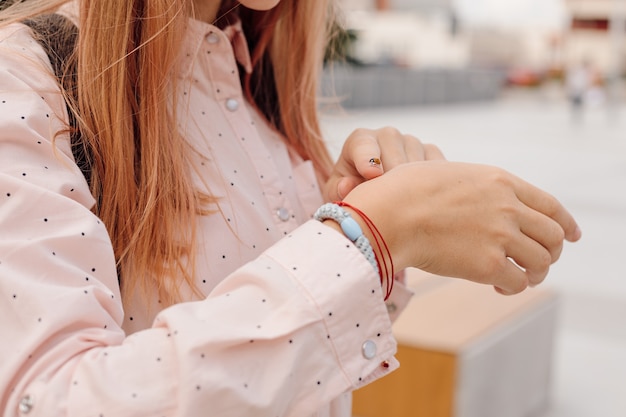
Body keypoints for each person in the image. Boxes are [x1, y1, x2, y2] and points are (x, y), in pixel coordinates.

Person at [0, 0, 581, 416]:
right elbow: (47, 401)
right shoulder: (26, 81)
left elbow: (285, 354)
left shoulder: (259, 93)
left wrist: (359, 213)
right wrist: (369, 237)